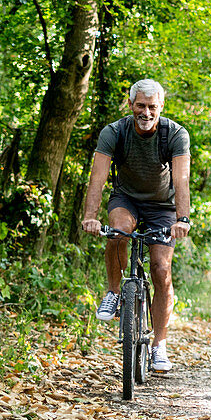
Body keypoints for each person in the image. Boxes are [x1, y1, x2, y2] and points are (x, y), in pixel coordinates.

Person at [81, 79, 191, 373]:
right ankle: (114, 292)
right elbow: (98, 177)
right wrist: (90, 216)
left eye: (152, 106)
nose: (146, 112)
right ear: (131, 105)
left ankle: (159, 346)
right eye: (140, 105)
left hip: (162, 206)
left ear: (161, 107)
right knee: (117, 229)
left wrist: (182, 219)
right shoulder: (114, 132)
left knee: (161, 269)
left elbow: (181, 180)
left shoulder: (175, 134)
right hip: (126, 198)